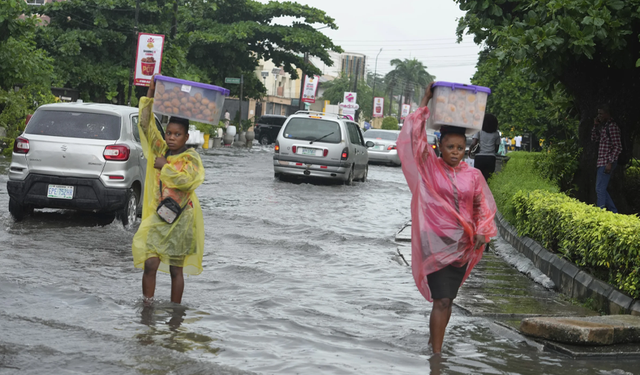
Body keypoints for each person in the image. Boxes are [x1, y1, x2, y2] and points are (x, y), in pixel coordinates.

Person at [397, 82, 497, 355]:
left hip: (463, 246)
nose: (456, 151)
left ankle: (434, 343)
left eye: (461, 147)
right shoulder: (429, 166)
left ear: (467, 147)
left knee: (448, 299)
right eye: (450, 146)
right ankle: (437, 358)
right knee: (441, 298)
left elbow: (482, 206)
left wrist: (482, 230)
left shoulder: (473, 175)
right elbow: (414, 138)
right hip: (436, 241)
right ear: (439, 146)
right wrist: (425, 100)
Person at [132, 75, 206, 304]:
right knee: (150, 262)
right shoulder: (160, 149)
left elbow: (188, 182)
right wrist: (151, 93)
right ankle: (147, 305)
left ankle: (175, 313)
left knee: (176, 270)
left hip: (182, 219)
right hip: (159, 215)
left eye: (177, 134)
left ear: (186, 136)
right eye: (169, 133)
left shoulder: (191, 158)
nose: (172, 138)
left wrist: (165, 168)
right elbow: (145, 124)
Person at [591, 104, 622, 213]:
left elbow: (618, 146)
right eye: (598, 113)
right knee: (601, 189)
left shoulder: (612, 127)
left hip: (607, 161)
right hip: (601, 161)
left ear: (607, 114)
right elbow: (594, 139)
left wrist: (610, 162)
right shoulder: (604, 126)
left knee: (599, 189)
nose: (599, 116)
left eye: (601, 113)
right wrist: (596, 126)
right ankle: (614, 212)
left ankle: (601, 213)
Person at [468, 114, 501, 180]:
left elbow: (474, 143)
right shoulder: (496, 133)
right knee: (488, 179)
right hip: (491, 158)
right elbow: (496, 149)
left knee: (478, 178)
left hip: (479, 157)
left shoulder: (479, 131)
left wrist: (470, 149)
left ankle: (479, 190)